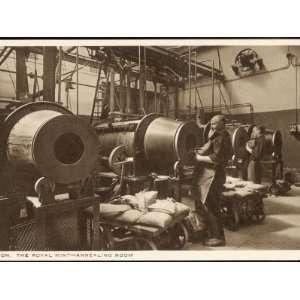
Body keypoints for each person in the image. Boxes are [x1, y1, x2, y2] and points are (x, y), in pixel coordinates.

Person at [192, 114, 232, 247]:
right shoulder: (216, 135)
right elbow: (207, 148)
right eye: (211, 123)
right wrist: (198, 151)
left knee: (212, 206)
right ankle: (206, 230)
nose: (212, 126)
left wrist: (199, 158)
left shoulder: (222, 138)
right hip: (208, 175)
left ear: (222, 123)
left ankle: (218, 237)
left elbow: (216, 158)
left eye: (215, 123)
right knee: (206, 204)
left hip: (214, 176)